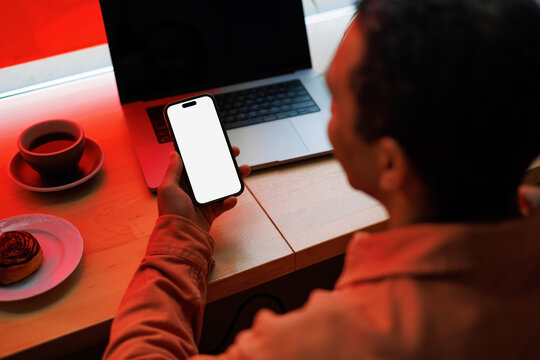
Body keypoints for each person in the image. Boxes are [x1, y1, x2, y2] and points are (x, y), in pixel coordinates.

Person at [103, 0, 540, 358]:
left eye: (334, 98)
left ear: (390, 165)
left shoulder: (325, 342)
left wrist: (179, 238)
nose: (327, 118)